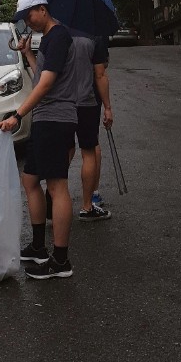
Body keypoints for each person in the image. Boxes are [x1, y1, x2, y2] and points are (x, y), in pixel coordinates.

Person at [0, 0, 78, 279]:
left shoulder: (58, 37)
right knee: (30, 179)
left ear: (42, 9)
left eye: (29, 15)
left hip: (56, 118)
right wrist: (28, 54)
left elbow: (44, 85)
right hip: (44, 118)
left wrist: (17, 115)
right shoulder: (48, 41)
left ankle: (61, 260)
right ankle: (38, 247)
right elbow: (41, 76)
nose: (27, 22)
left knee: (57, 185)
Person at [70, 32, 112, 221]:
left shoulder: (59, 31)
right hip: (88, 100)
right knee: (90, 148)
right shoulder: (96, 35)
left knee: (66, 148)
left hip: (63, 100)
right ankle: (89, 202)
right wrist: (108, 107)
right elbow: (100, 72)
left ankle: (55, 198)